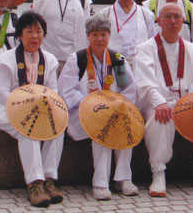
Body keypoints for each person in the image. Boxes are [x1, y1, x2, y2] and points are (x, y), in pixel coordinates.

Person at [135, 3, 193, 196]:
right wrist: (159, 101)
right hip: (157, 103)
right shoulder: (145, 48)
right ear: (158, 21)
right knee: (160, 118)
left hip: (188, 104)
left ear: (183, 21)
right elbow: (146, 81)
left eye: (177, 16)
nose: (173, 21)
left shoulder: (192, 49)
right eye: (167, 16)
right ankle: (158, 174)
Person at [0, 11, 64, 207]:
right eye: (29, 31)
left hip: (40, 109)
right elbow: (2, 92)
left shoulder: (50, 59)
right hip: (7, 109)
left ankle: (49, 179)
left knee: (58, 128)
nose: (35, 36)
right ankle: (35, 184)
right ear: (19, 35)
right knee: (29, 130)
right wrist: (25, 105)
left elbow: (52, 89)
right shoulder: (7, 59)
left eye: (39, 31)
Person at [58, 14, 139, 200]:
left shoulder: (117, 59)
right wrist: (92, 106)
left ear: (109, 35)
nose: (100, 39)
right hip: (83, 113)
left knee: (127, 126)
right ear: (88, 36)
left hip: (114, 111)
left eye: (103, 34)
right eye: (95, 34)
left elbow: (129, 88)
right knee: (102, 128)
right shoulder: (77, 59)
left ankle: (123, 178)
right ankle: (100, 183)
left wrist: (119, 106)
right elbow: (68, 92)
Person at [97, 0, 156, 67]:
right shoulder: (104, 14)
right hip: (113, 64)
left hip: (140, 65)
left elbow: (153, 42)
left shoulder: (147, 14)